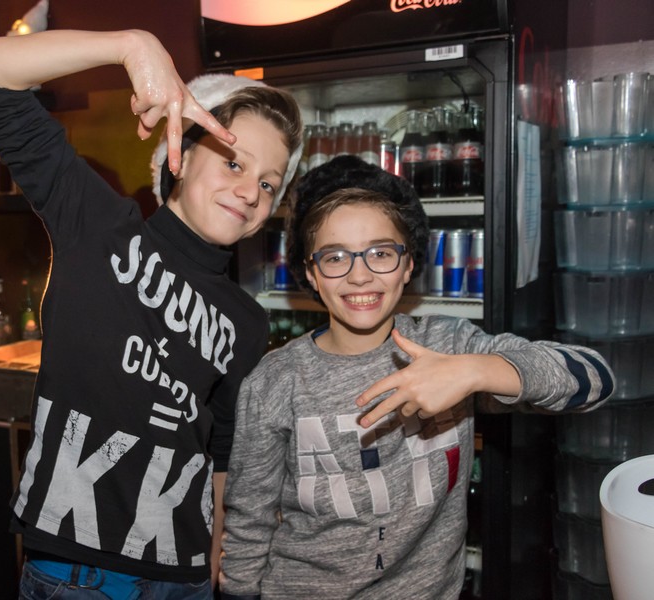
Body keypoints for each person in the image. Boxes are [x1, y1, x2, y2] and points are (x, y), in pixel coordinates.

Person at [0, 29, 303, 599]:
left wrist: (215, 560)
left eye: (268, 183)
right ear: (180, 152)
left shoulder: (247, 321)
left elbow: (220, 453)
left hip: (185, 578)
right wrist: (131, 45)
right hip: (77, 577)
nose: (250, 192)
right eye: (233, 162)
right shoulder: (99, 226)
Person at [219, 155, 615, 599]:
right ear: (311, 273)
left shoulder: (448, 345)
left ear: (408, 265)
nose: (360, 275)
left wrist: (474, 371)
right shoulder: (274, 381)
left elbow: (595, 379)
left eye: (381, 253)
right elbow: (249, 521)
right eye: (335, 257)